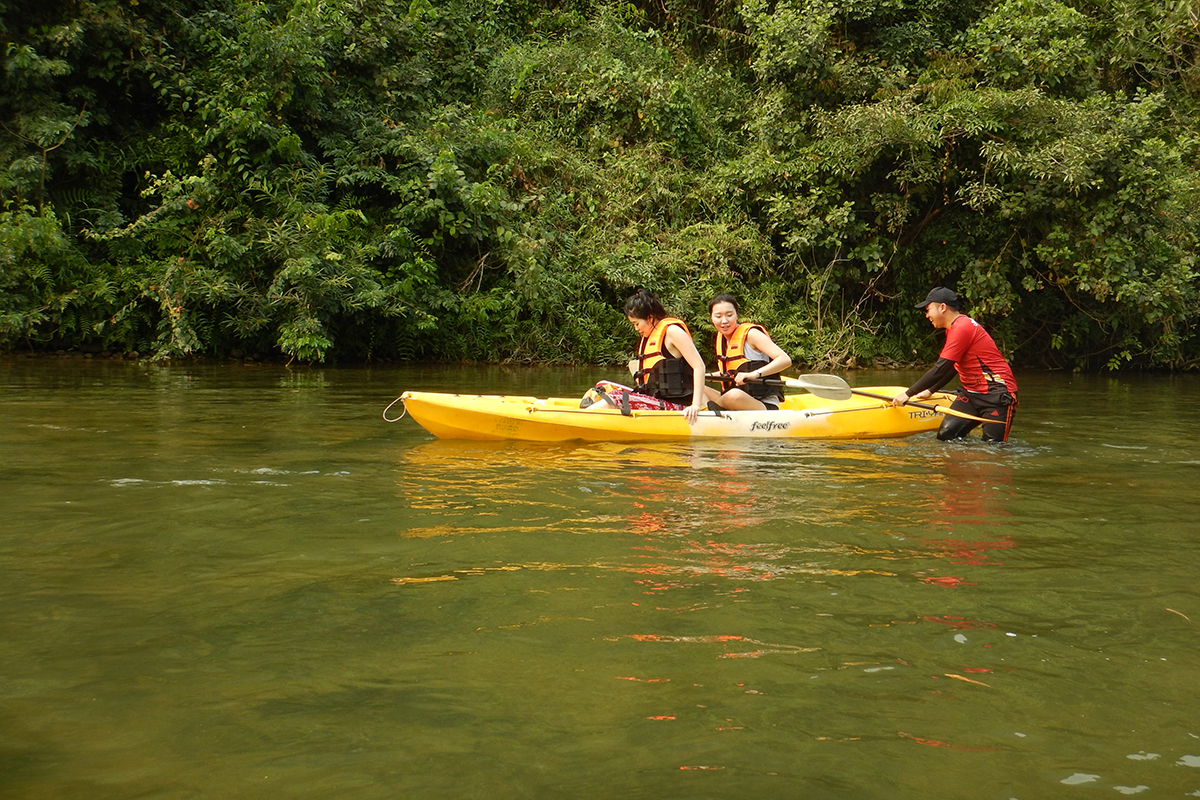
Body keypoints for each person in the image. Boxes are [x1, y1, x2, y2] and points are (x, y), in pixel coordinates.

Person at [892, 287, 1018, 442]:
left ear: (942, 307)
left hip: (997, 395)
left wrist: (907, 394)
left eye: (928, 309)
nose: (927, 315)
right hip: (971, 395)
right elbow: (953, 366)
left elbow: (940, 368)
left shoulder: (962, 327)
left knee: (993, 447)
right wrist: (931, 390)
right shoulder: (953, 328)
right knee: (946, 436)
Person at [617, 289, 708, 424]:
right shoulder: (648, 337)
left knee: (616, 398)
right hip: (655, 400)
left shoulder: (672, 331)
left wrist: (695, 405)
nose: (636, 329)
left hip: (677, 404)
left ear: (650, 318)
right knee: (602, 387)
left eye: (637, 323)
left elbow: (699, 366)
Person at [706, 294, 793, 411]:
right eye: (718, 316)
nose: (724, 321)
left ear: (737, 315)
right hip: (732, 400)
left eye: (729, 315)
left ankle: (714, 409)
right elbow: (729, 372)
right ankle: (712, 413)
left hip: (761, 403)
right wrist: (706, 376)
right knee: (695, 385)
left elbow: (785, 360)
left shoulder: (751, 334)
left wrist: (755, 374)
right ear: (711, 318)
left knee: (734, 395)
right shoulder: (722, 339)